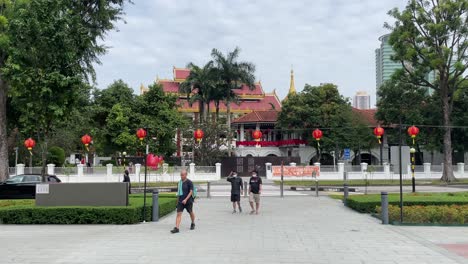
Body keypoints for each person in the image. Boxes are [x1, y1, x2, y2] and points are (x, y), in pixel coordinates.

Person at [171, 169, 195, 234]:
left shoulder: (189, 182)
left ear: (186, 175)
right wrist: (177, 201)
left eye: (182, 175)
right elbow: (178, 192)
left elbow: (191, 192)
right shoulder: (179, 183)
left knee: (191, 212)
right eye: (180, 175)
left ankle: (193, 223)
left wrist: (186, 199)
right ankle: (177, 228)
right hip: (181, 201)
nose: (181, 176)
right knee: (178, 214)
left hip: (188, 201)